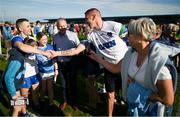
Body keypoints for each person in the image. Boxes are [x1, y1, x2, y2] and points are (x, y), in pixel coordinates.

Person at [88, 17, 180, 116]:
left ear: (140, 37)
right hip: (135, 109)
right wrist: (97, 58)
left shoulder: (158, 63)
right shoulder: (130, 54)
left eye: (130, 33)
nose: (126, 36)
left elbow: (167, 99)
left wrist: (135, 88)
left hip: (152, 111)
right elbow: (115, 69)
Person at [50, 8, 128, 116]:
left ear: (94, 16)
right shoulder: (91, 35)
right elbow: (76, 50)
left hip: (126, 63)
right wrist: (58, 53)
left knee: (128, 93)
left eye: (86, 19)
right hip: (109, 66)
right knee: (110, 94)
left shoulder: (114, 26)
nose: (85, 21)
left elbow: (131, 38)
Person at [52, 18, 80, 110]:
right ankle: (64, 101)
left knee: (73, 83)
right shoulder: (55, 37)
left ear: (67, 25)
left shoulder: (73, 35)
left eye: (64, 25)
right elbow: (54, 50)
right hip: (61, 63)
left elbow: (79, 47)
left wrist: (72, 55)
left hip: (72, 63)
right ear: (57, 27)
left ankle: (74, 102)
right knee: (63, 84)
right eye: (60, 26)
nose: (63, 27)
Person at [36, 32, 58, 107]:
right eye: (43, 39)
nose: (45, 41)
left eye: (46, 39)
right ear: (38, 40)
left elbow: (54, 59)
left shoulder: (50, 47)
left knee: (50, 87)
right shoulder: (35, 49)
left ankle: (51, 102)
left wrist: (56, 69)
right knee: (43, 87)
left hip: (50, 71)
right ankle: (41, 99)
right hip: (41, 71)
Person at [20, 38, 40, 112]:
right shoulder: (22, 53)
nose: (36, 48)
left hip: (35, 74)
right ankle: (23, 109)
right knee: (24, 95)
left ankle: (36, 105)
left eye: (36, 46)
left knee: (35, 92)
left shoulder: (37, 53)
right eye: (34, 46)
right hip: (25, 76)